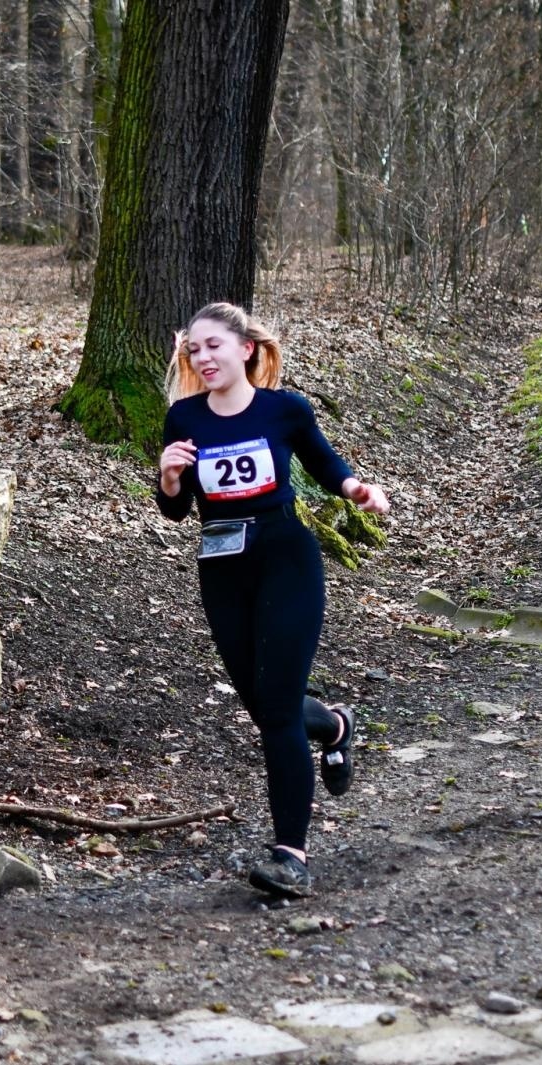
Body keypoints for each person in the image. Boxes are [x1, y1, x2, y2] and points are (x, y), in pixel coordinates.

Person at [156, 302, 389, 898]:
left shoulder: (284, 409)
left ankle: (291, 855)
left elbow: (323, 460)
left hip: (286, 556)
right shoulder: (183, 418)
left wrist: (355, 488)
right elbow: (178, 512)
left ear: (246, 350)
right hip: (221, 566)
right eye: (195, 350)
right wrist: (170, 479)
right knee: (264, 704)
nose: (203, 358)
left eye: (214, 346)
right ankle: (335, 725)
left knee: (279, 710)